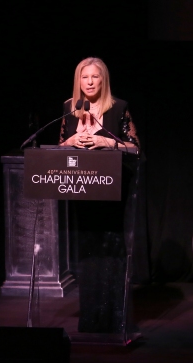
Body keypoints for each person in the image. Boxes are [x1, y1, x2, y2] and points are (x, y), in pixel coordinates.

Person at [57, 57, 144, 336]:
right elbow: (59, 146)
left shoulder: (119, 108)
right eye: (85, 77)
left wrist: (107, 142)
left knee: (111, 251)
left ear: (103, 80)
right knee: (88, 254)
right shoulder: (69, 108)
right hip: (82, 191)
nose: (90, 82)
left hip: (112, 191)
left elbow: (136, 149)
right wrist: (70, 142)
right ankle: (90, 319)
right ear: (78, 81)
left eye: (95, 77)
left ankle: (113, 319)